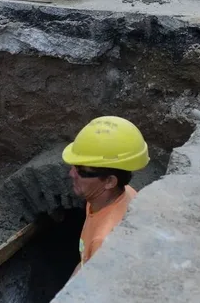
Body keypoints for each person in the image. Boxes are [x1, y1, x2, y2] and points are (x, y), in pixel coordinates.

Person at [62, 116, 149, 274]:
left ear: (109, 181)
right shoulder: (118, 194)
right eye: (74, 166)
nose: (71, 173)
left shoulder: (105, 241)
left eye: (82, 171)